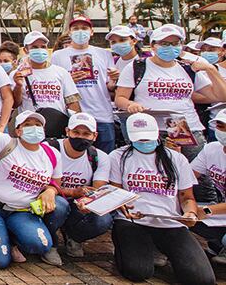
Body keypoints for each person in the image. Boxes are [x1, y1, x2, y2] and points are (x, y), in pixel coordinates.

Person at [107, 113, 215, 284]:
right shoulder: (118, 156)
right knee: (137, 271)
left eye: (148, 137)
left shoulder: (177, 159)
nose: (144, 142)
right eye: (139, 139)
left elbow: (186, 197)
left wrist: (190, 213)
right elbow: (116, 191)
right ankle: (137, 249)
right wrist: (124, 207)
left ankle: (160, 250)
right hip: (134, 222)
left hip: (170, 223)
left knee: (202, 279)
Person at [0, 89, 69, 269]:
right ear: (18, 130)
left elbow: (55, 183)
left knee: (40, 244)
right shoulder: (7, 143)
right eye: (28, 125)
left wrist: (51, 191)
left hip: (20, 211)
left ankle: (11, 237)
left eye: (38, 125)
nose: (34, 128)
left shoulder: (52, 154)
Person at [115, 24, 226, 161]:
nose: (170, 47)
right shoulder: (137, 66)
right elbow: (120, 98)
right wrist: (130, 104)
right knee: (156, 170)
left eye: (175, 43)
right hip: (150, 129)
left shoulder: (187, 68)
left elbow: (221, 96)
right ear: (153, 45)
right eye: (164, 43)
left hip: (184, 127)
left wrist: (211, 70)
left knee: (196, 172)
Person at [51, 15, 119, 153]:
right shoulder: (58, 56)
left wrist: (114, 80)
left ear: (91, 31)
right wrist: (69, 81)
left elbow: (109, 86)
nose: (80, 31)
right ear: (70, 33)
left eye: (84, 28)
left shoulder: (104, 54)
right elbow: (55, 87)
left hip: (102, 115)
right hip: (73, 117)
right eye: (76, 28)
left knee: (105, 158)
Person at [47, 113, 112, 257]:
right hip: (52, 199)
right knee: (59, 205)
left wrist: (89, 203)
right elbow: (41, 184)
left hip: (78, 203)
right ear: (67, 131)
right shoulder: (50, 148)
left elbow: (98, 189)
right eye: (76, 132)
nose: (80, 137)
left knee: (103, 219)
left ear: (94, 136)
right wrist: (72, 192)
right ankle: (51, 243)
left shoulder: (99, 157)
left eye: (86, 134)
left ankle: (74, 237)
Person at [11, 31, 81, 139]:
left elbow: (72, 102)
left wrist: (75, 127)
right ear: (26, 50)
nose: (39, 50)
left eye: (43, 47)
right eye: (34, 47)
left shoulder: (61, 72)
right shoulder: (17, 74)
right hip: (30, 129)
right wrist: (18, 86)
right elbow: (15, 103)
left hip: (56, 127)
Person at [191, 109, 226, 263]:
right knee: (187, 213)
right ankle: (218, 243)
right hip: (221, 209)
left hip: (218, 208)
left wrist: (207, 210)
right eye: (219, 125)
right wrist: (175, 156)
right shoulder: (211, 149)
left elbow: (208, 210)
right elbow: (189, 176)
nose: (221, 130)